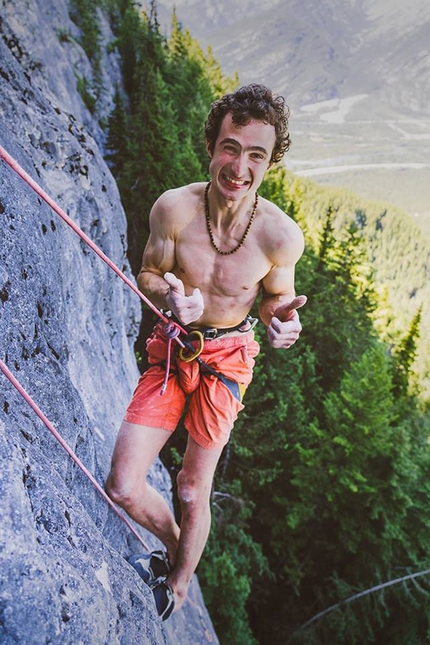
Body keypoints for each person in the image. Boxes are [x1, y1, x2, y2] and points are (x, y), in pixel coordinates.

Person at [106, 83, 306, 620]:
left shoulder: (279, 236)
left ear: (271, 162)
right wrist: (169, 292)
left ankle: (179, 582)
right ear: (213, 146)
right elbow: (146, 273)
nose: (239, 166)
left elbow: (274, 301)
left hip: (229, 358)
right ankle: (175, 543)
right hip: (175, 346)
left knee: (194, 488)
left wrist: (283, 323)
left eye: (256, 154)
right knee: (124, 486)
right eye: (231, 146)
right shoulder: (174, 209)